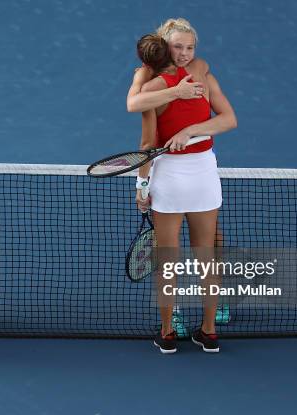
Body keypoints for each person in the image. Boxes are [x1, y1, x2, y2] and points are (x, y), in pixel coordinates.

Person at [127, 19, 237, 354]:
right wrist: (179, 96)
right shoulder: (171, 82)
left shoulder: (173, 83)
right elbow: (226, 119)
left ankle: (168, 335)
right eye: (178, 47)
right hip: (199, 177)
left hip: (180, 177)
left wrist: (142, 185)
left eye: (190, 48)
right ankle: (207, 332)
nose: (186, 54)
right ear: (164, 46)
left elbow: (148, 143)